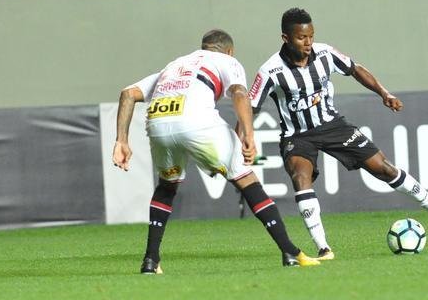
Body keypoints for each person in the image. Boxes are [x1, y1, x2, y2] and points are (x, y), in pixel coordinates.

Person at [250, 7, 428, 260]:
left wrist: (384, 93)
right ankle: (323, 247)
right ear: (286, 38)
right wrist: (243, 137)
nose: (308, 42)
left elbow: (355, 69)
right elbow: (250, 105)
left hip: (333, 126)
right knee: (301, 177)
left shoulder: (325, 53)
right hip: (298, 136)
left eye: (310, 36)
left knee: (384, 168)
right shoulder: (270, 71)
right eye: (301, 38)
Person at [113, 29, 321, 273]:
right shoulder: (227, 61)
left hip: (158, 123)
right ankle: (290, 251)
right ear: (229, 51)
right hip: (196, 122)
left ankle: (151, 260)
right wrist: (248, 134)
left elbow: (128, 94)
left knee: (166, 187)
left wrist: (121, 141)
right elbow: (240, 93)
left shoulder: (174, 65)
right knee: (246, 180)